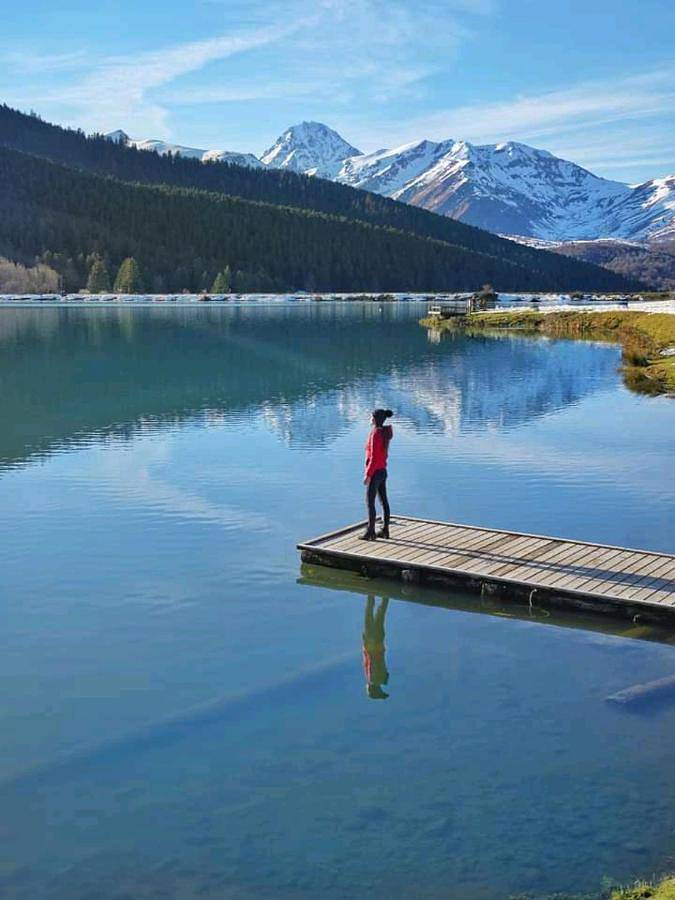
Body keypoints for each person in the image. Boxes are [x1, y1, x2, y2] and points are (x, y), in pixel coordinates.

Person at [362, 408, 393, 541]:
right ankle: (385, 530)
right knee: (383, 501)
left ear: (375, 419)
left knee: (370, 502)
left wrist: (368, 474)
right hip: (383, 471)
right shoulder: (384, 433)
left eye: (371, 416)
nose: (370, 418)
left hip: (375, 472)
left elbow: (374, 457)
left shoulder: (375, 434)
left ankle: (371, 532)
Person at [362, 595, 390, 699]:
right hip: (371, 643)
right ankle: (371, 593)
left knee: (381, 614)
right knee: (370, 613)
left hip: (377, 644)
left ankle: (386, 594)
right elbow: (371, 661)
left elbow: (378, 665)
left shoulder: (379, 679)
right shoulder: (371, 678)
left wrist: (385, 677)